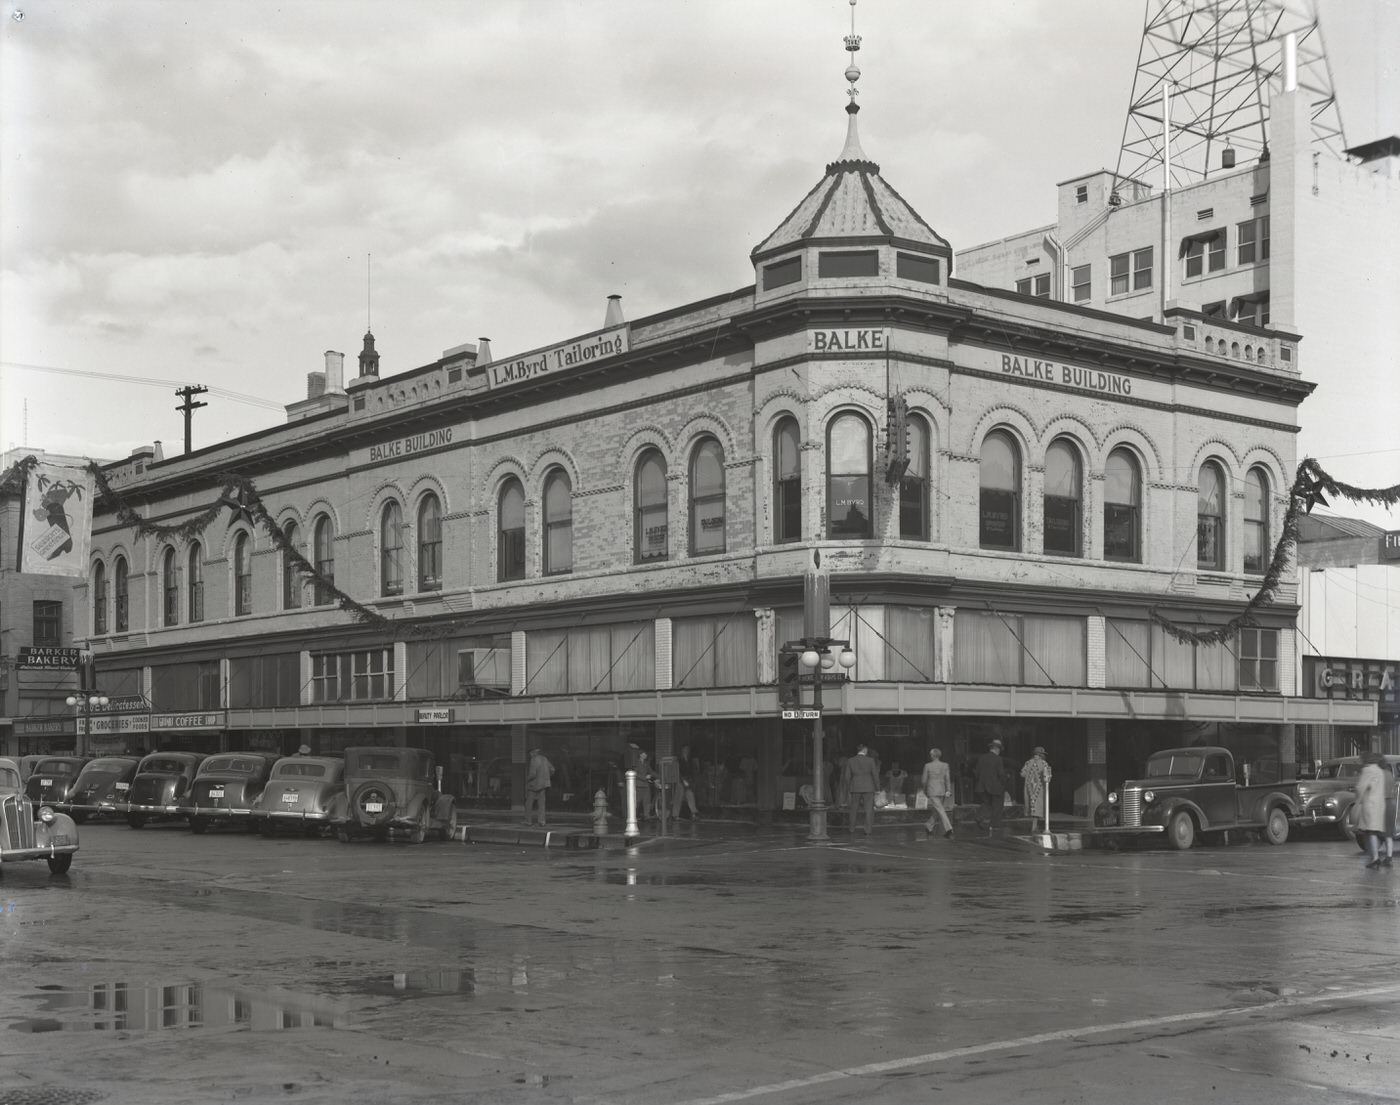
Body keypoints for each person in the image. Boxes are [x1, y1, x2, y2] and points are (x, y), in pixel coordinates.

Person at [1354, 751, 1391, 869]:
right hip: (1380, 804)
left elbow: (1361, 787)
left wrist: (1357, 801)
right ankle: (1378, 857)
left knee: (1371, 832)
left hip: (1370, 804)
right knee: (1374, 831)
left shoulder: (1367, 770)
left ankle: (1375, 858)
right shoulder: (1380, 771)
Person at [842, 743, 881, 836]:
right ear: (864, 750)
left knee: (853, 809)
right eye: (866, 750)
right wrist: (877, 788)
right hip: (868, 787)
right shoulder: (870, 760)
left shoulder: (850, 761)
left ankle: (851, 829)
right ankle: (867, 830)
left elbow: (847, 776)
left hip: (855, 787)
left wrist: (849, 786)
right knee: (869, 809)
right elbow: (875, 775)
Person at [974, 738, 1010, 832]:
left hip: (982, 786)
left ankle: (979, 817)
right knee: (997, 806)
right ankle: (995, 825)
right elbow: (1001, 774)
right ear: (997, 749)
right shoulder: (998, 759)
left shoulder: (982, 758)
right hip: (995, 787)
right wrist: (1005, 781)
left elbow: (976, 773)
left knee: (986, 803)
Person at [921, 747, 954, 839]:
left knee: (939, 810)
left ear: (932, 755)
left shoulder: (927, 766)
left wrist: (924, 790)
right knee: (939, 810)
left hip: (932, 790)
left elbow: (924, 780)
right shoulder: (945, 765)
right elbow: (947, 779)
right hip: (942, 790)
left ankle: (949, 829)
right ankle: (929, 825)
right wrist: (948, 790)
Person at [1020, 746, 1053, 831]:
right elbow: (1048, 776)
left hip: (1029, 788)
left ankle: (1034, 825)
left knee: (1032, 805)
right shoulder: (1044, 763)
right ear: (1041, 755)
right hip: (1039, 788)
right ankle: (1034, 826)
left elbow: (1022, 774)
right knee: (1038, 806)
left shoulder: (1028, 763)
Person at [525, 747, 554, 826]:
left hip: (534, 785)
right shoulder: (545, 759)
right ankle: (542, 821)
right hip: (544, 784)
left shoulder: (533, 760)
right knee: (541, 804)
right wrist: (546, 777)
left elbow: (532, 774)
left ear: (533, 753)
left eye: (530, 753)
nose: (530, 755)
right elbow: (552, 769)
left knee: (529, 803)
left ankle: (528, 821)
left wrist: (527, 780)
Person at [673, 744, 700, 821]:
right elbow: (677, 771)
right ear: (682, 751)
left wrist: (692, 781)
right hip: (680, 779)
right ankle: (675, 815)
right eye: (685, 749)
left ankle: (694, 813)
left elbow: (692, 771)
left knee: (690, 794)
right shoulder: (679, 760)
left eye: (688, 750)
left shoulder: (690, 760)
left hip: (688, 779)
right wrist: (682, 780)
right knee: (679, 796)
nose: (687, 751)